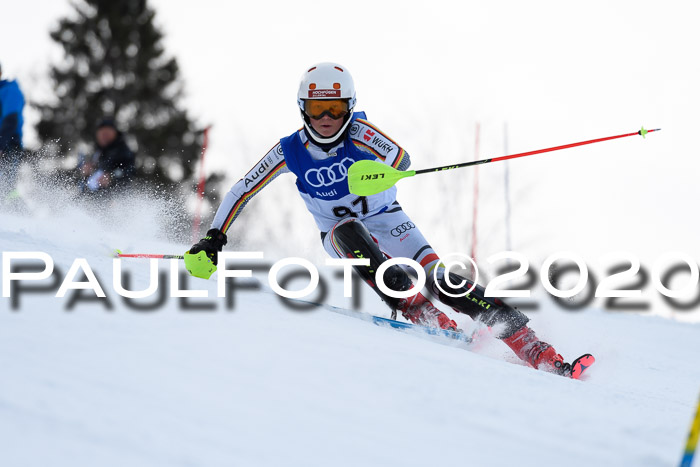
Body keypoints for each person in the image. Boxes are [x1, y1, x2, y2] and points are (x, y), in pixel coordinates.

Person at [186, 62, 577, 376]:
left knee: (441, 279)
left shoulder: (360, 132)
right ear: (303, 108)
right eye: (318, 109)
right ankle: (419, 310)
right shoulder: (290, 149)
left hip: (389, 218)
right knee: (349, 232)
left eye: (336, 109)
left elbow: (401, 160)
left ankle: (533, 346)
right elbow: (243, 188)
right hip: (340, 233)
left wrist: (377, 161)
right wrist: (214, 237)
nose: (326, 118)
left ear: (350, 107)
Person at [78, 117, 135, 194]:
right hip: (89, 196)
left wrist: (112, 178)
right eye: (101, 133)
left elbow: (129, 172)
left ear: (115, 133)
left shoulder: (123, 152)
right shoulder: (95, 151)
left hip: (113, 198)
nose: (103, 136)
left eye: (106, 133)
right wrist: (85, 172)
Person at [0, 61, 25, 197]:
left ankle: (21, 216)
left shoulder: (9, 90)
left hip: (8, 145)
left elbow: (11, 120)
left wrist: (1, 146)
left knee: (6, 189)